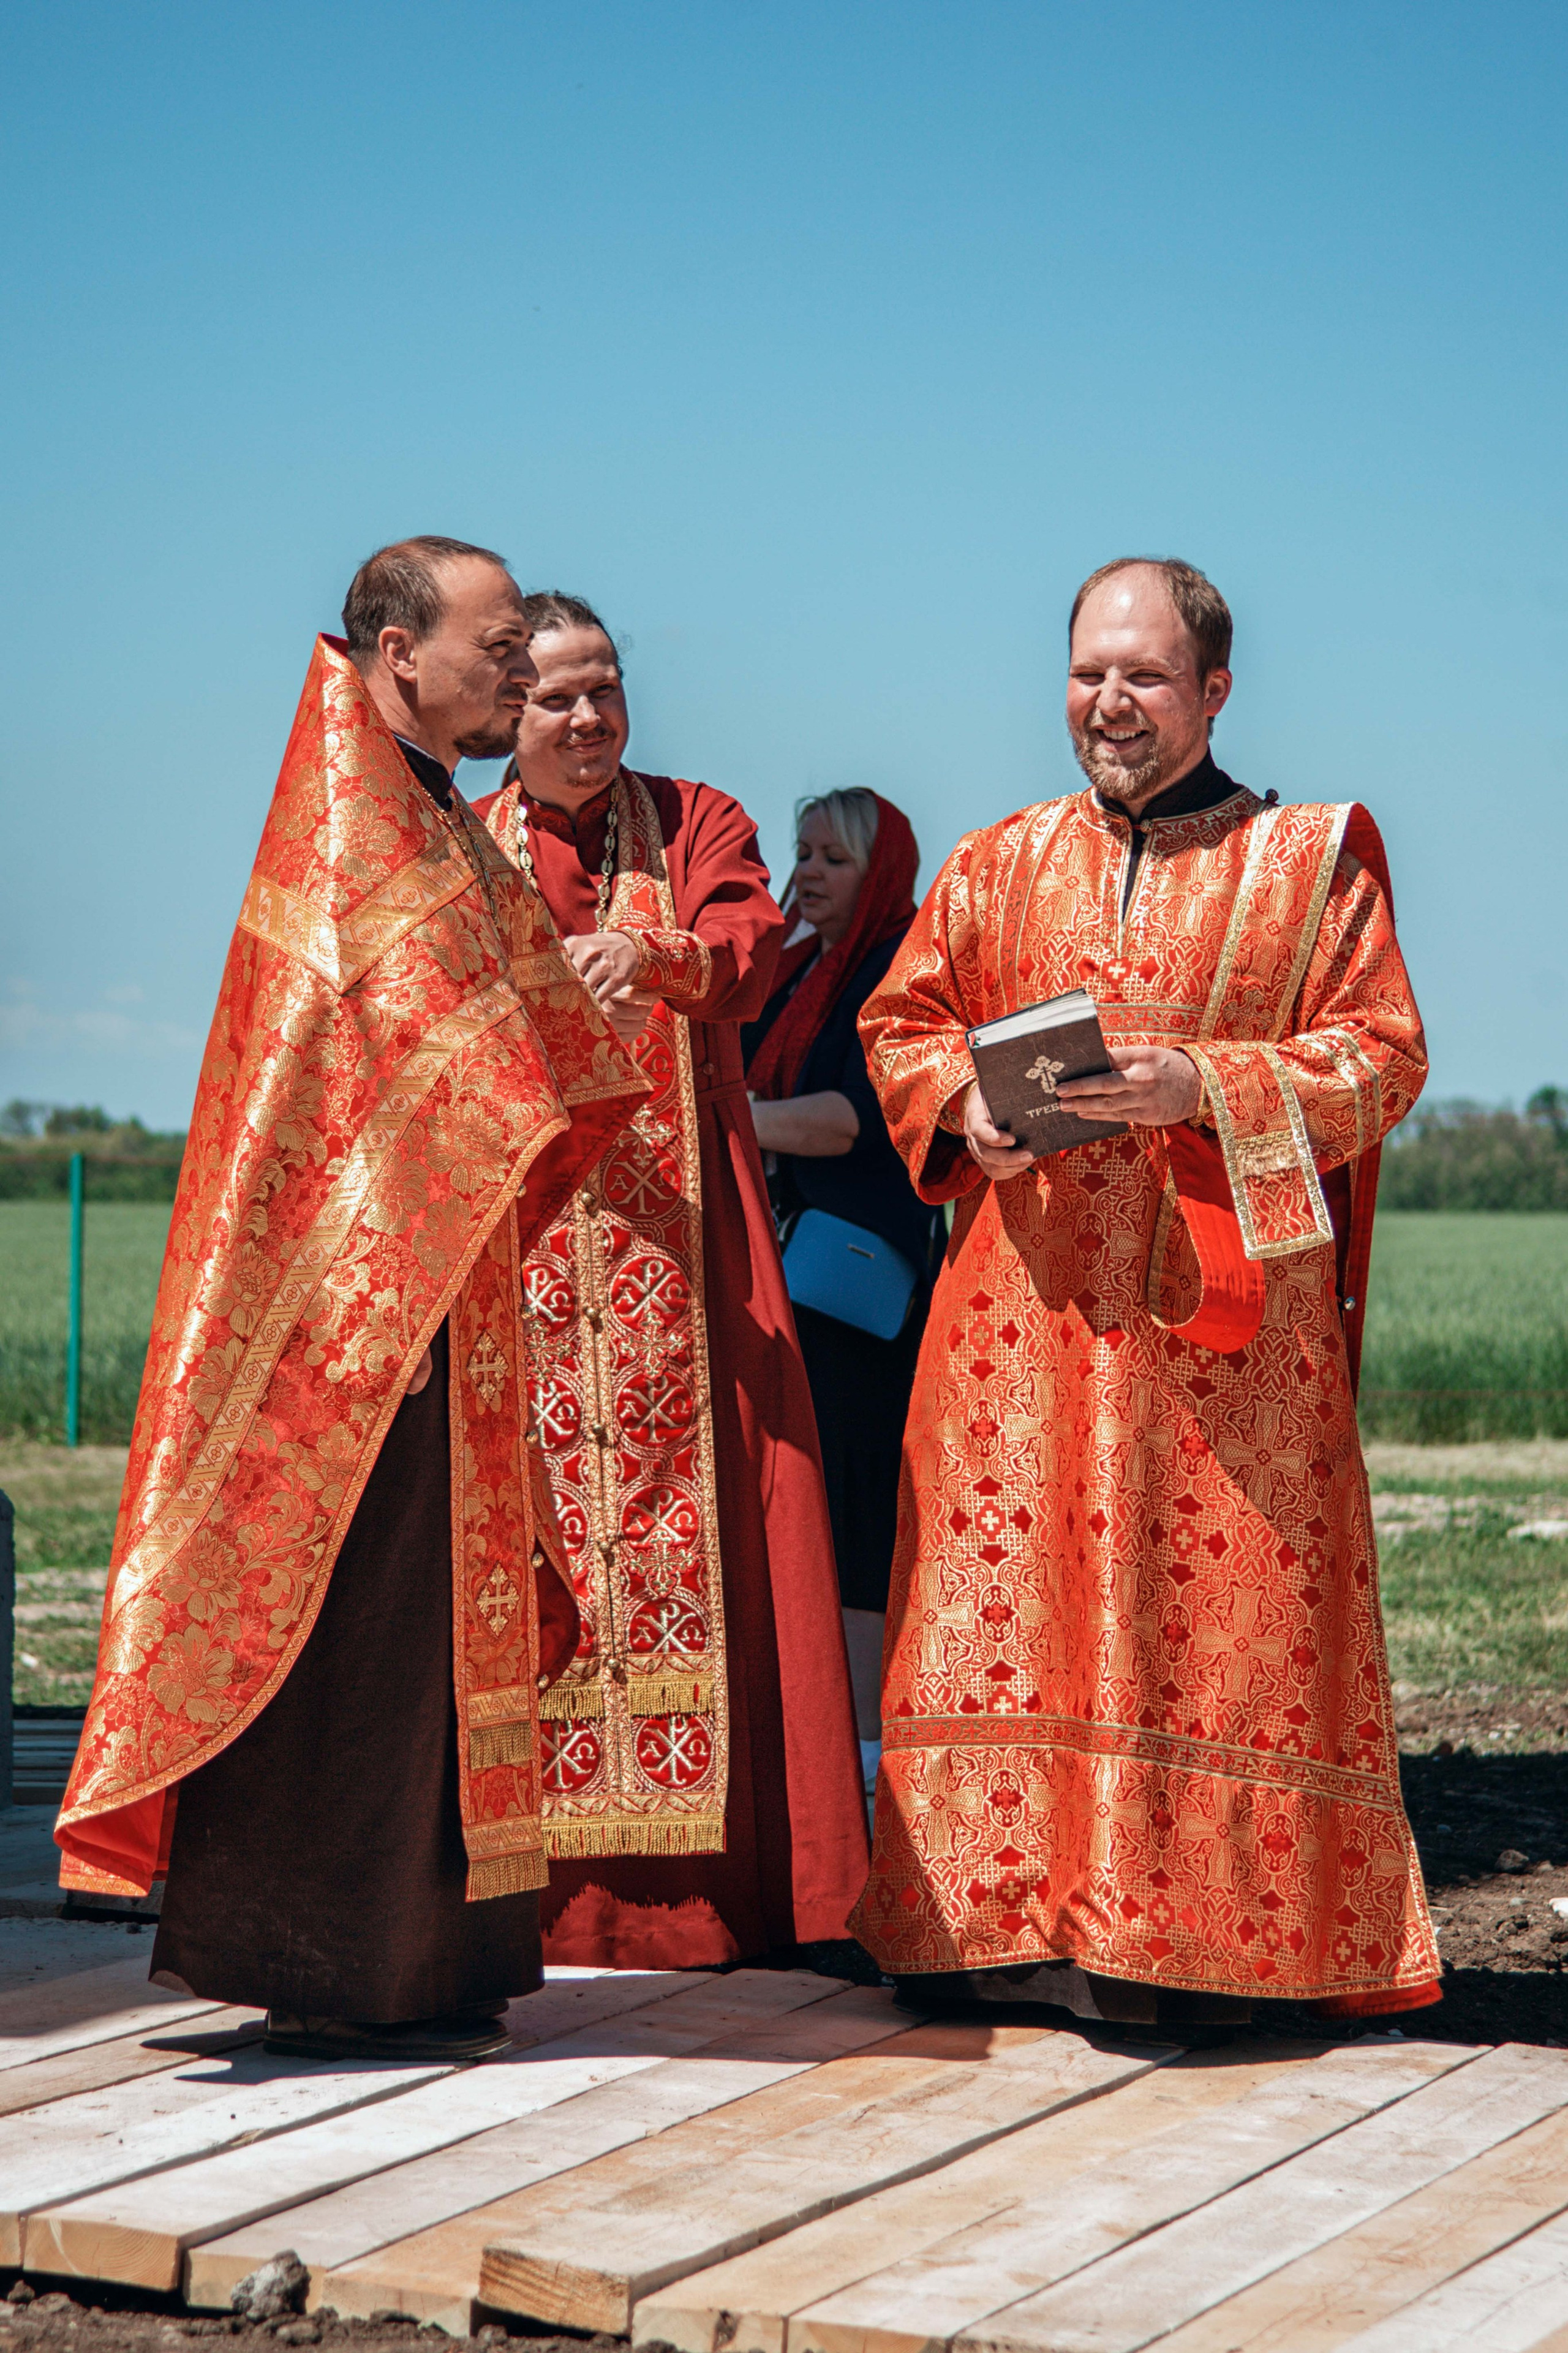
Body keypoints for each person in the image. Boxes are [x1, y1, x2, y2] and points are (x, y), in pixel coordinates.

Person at [56, 540, 644, 2060]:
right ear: (395, 650)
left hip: (436, 1291)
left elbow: (508, 1032)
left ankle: (434, 1961)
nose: (517, 671)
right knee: (359, 1628)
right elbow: (392, 1062)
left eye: (525, 646)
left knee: (434, 1632)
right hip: (349, 1315)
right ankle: (330, 1962)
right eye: (495, 645)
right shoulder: (353, 821)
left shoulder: (430, 809)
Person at [851, 556, 1440, 2033]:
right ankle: (991, 1932)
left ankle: (1200, 1950)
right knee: (1008, 1608)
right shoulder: (994, 863)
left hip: (1222, 1348)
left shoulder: (1310, 862)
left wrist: (1207, 1081)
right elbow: (902, 1020)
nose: (1107, 703)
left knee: (1212, 1629)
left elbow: (1381, 1057)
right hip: (1020, 1338)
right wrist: (958, 1114)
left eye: (1142, 676)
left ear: (1212, 690)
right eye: (1085, 673)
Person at [473, 594, 868, 1969]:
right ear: (502, 716)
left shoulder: (691, 816)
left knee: (714, 1543)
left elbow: (749, 947)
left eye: (605, 689)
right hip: (515, 1275)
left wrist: (653, 954)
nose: (587, 720)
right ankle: (523, 1898)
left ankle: (709, 1907)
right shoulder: (465, 848)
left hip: (686, 1267)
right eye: (553, 701)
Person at [743, 790, 946, 1793]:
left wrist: (733, 1117)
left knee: (856, 1508)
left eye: (832, 856)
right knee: (800, 1501)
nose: (810, 871)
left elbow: (849, 1121)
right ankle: (816, 1740)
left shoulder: (892, 972)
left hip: (859, 1286)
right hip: (791, 1274)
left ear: (880, 870)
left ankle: (866, 1764)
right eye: (802, 852)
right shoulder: (801, 971)